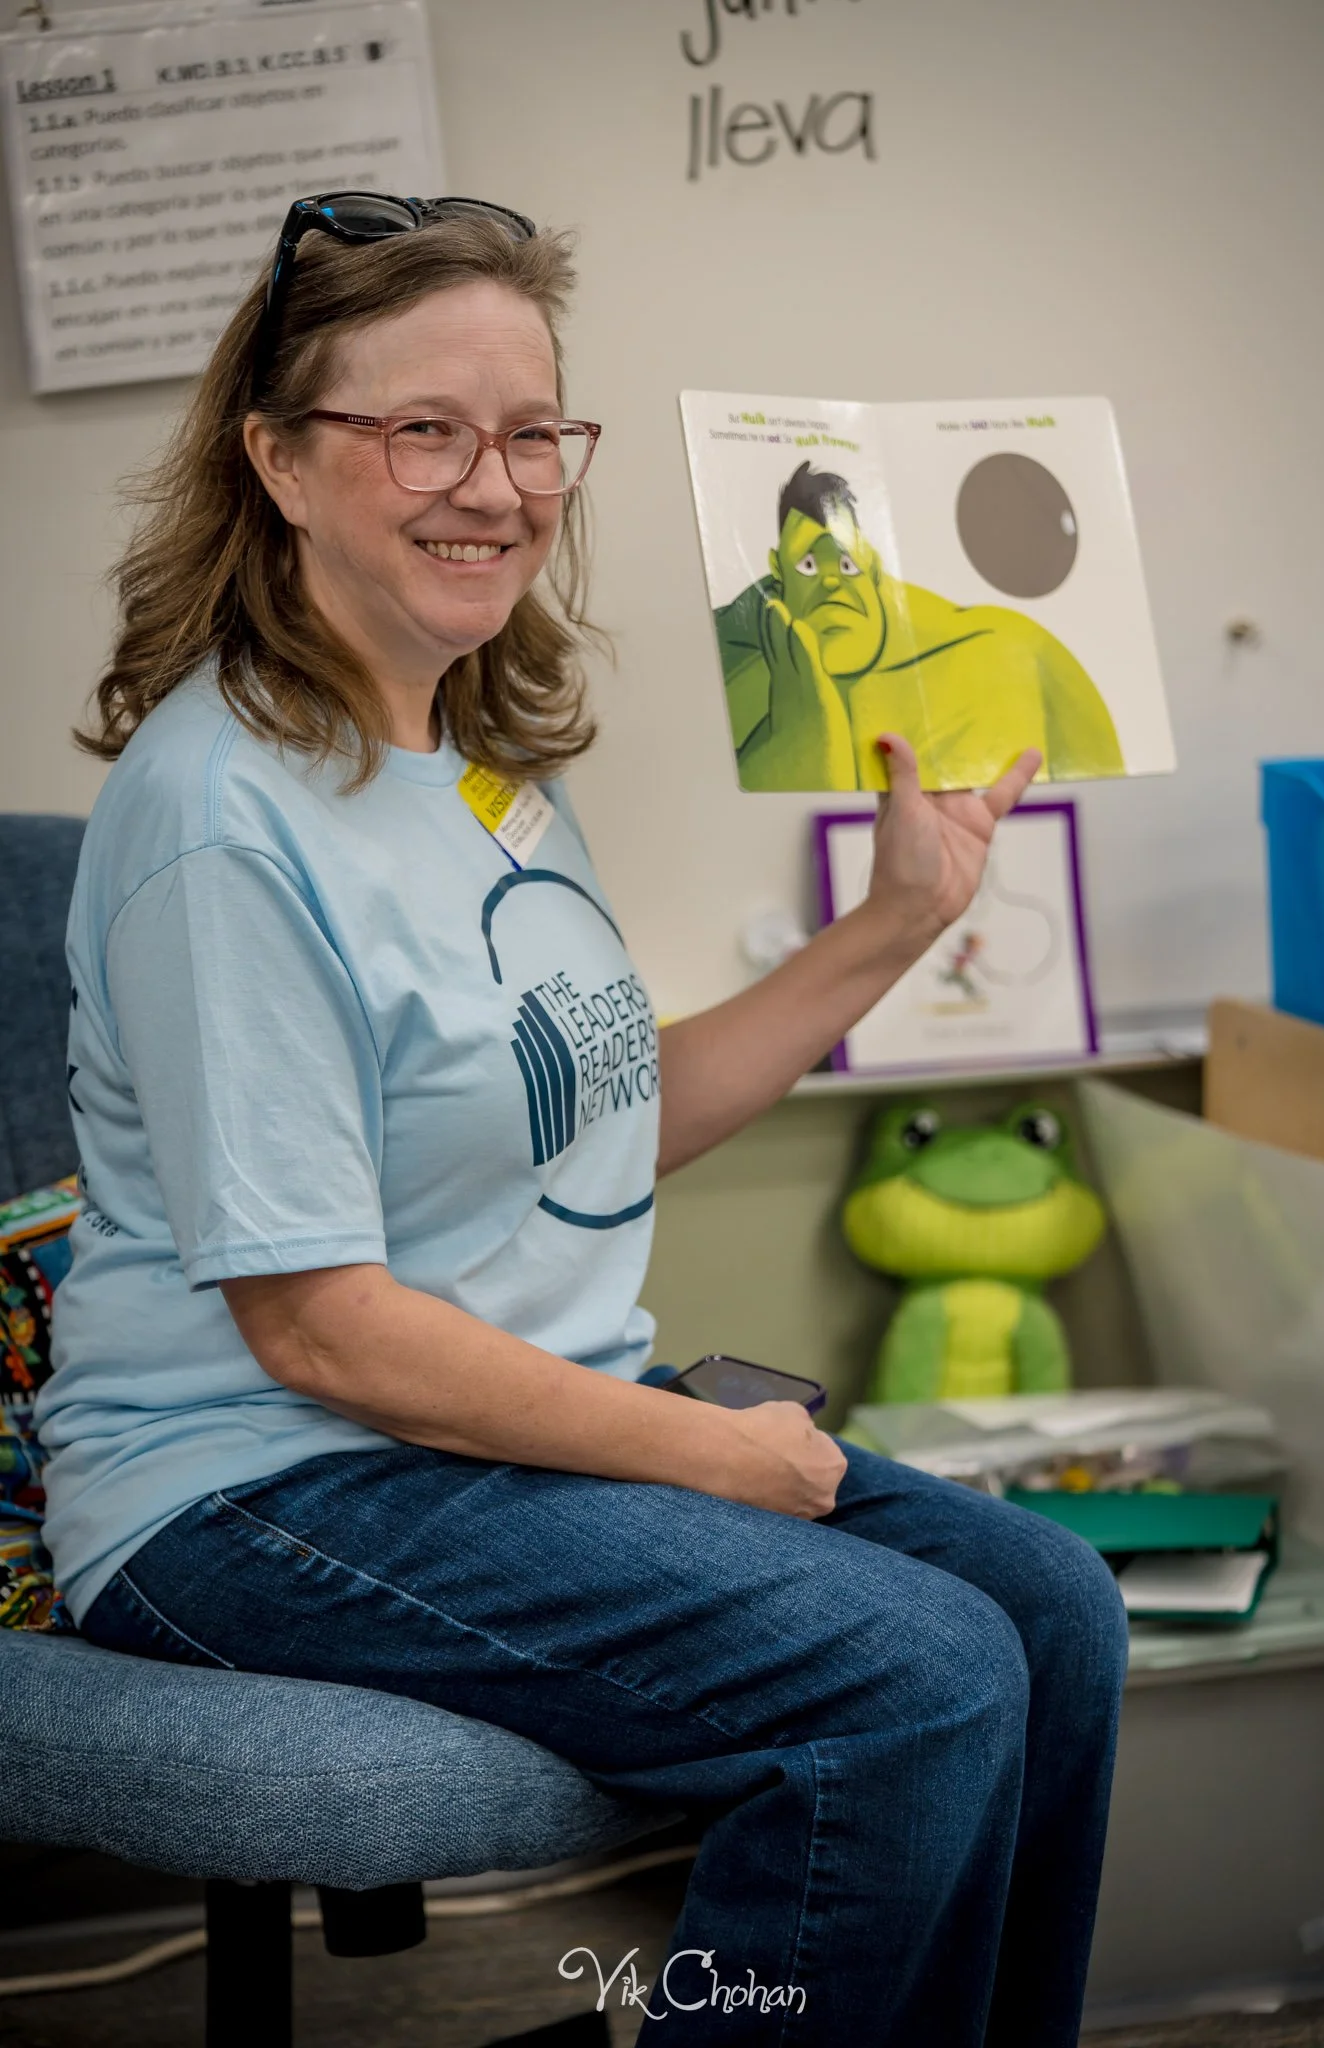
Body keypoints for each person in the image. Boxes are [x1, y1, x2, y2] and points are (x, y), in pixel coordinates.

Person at [37, 193, 1128, 2045]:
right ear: (282, 462)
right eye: (425, 430)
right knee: (917, 1670)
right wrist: (698, 1453)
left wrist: (893, 926)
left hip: (486, 1439)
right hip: (257, 1480)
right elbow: (313, 1321)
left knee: (1050, 1603)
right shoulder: (225, 816)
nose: (499, 483)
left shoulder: (478, 771)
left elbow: (599, 1125)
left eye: (535, 430)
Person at [716, 460, 1126, 792]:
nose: (830, 582)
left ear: (873, 565)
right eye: (808, 565)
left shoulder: (1000, 648)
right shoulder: (740, 651)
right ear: (777, 570)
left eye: (845, 564)